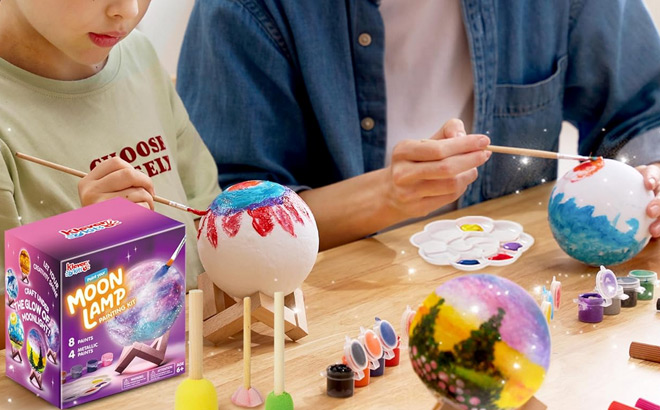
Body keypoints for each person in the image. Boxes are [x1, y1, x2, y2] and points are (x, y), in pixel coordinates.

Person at [177, 0, 660, 251]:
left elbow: (646, 111)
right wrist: (387, 195)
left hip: (519, 292)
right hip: (337, 324)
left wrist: (653, 175)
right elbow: (228, 227)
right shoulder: (244, 11)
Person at [0, 0, 222, 344]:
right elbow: (13, 334)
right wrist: (92, 245)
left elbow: (206, 219)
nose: (129, 10)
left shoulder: (138, 56)